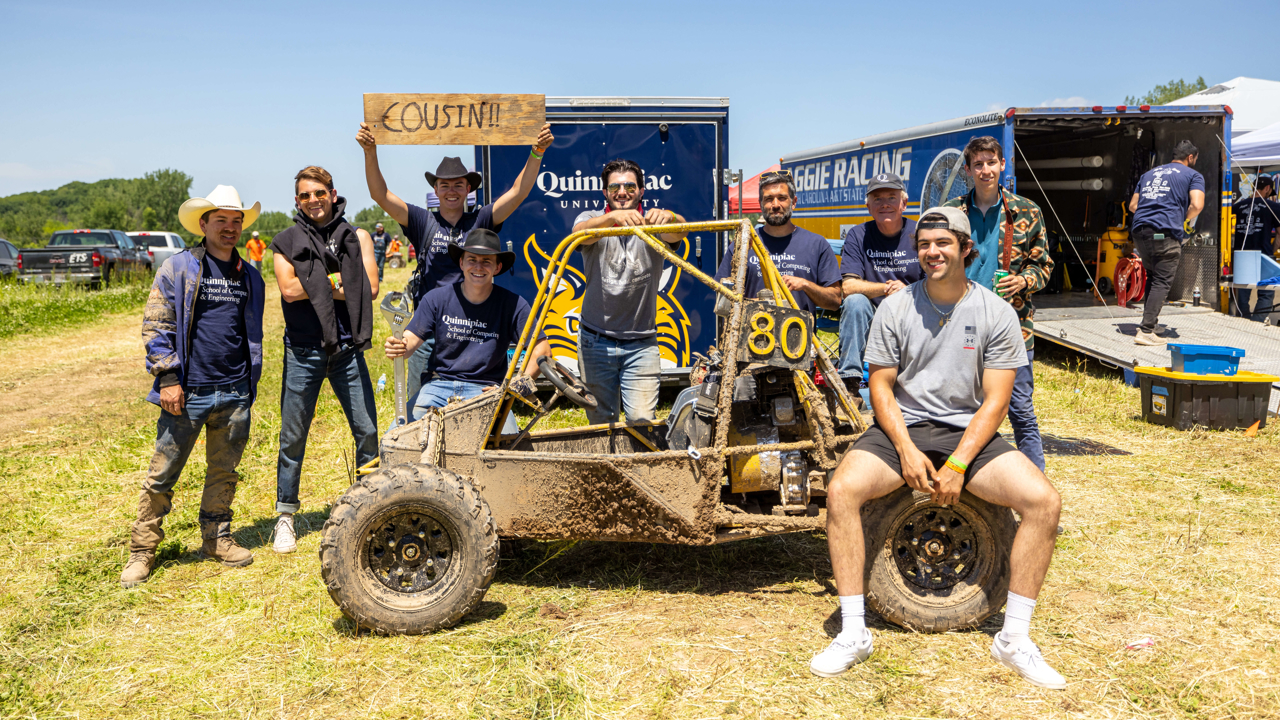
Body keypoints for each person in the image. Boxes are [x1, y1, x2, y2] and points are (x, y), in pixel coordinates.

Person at [811, 208, 1064, 689]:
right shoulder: (895, 306)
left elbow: (996, 400)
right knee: (842, 490)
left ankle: (1013, 638)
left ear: (966, 249)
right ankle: (853, 632)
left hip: (968, 432)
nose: (932, 252)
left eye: (943, 243)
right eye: (924, 243)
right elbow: (881, 388)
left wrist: (959, 463)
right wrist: (905, 450)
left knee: (1044, 501)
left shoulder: (996, 311)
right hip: (901, 429)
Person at [122, 185, 265, 588]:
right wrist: (167, 378)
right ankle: (142, 551)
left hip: (235, 390)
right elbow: (157, 324)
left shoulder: (250, 276)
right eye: (221, 220)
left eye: (236, 221)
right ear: (203, 224)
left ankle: (216, 539)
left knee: (224, 471)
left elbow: (250, 333)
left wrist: (248, 384)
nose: (230, 228)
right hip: (187, 393)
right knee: (162, 474)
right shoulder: (178, 267)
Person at [357, 121, 554, 413]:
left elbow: (518, 192)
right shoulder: (422, 221)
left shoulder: (481, 220)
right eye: (444, 184)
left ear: (468, 190)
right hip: (427, 328)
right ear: (435, 188)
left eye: (458, 185)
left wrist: (537, 152)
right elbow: (380, 195)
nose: (451, 190)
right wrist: (370, 151)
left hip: (473, 325)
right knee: (421, 415)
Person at [268, 166, 380, 554]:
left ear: (333, 194)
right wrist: (341, 283)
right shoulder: (285, 241)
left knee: (367, 430)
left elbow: (371, 288)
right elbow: (288, 288)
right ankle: (285, 516)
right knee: (293, 435)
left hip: (347, 348)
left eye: (319, 193)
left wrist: (318, 284)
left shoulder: (356, 236)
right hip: (303, 350)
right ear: (296, 201)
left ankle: (374, 507)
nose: (312, 200)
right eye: (304, 195)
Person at [943, 136, 1053, 473]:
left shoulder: (1027, 211)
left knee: (1019, 408)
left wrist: (1023, 281)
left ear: (1003, 165)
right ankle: (962, 480)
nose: (985, 170)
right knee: (960, 407)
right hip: (962, 324)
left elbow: (1044, 266)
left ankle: (1036, 488)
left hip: (1013, 327)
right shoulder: (953, 212)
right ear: (968, 170)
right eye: (978, 164)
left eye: (991, 162)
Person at [384, 229, 551, 434]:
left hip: (487, 391)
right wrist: (399, 346)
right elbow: (411, 339)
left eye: (486, 261)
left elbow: (542, 350)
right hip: (437, 386)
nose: (478, 267)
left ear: (497, 267)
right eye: (471, 259)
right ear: (461, 263)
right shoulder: (436, 299)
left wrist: (515, 387)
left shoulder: (514, 305)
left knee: (507, 449)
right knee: (395, 439)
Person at [572, 159, 688, 424]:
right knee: (601, 424)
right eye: (614, 186)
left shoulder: (654, 223)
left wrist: (670, 217)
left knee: (642, 422)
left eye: (629, 186)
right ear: (604, 192)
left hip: (642, 343)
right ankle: (605, 467)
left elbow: (682, 230)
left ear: (641, 191)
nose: (622, 192)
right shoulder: (591, 219)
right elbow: (579, 234)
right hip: (595, 341)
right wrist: (613, 218)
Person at [837, 172, 923, 390]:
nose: (885, 204)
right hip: (873, 314)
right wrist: (886, 288)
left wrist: (907, 291)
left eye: (892, 198)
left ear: (904, 203)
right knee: (855, 302)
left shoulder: (920, 233)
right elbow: (847, 286)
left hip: (912, 310)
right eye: (877, 199)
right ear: (868, 206)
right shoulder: (858, 235)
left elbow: (936, 282)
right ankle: (850, 383)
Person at [715, 169, 842, 314]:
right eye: (769, 199)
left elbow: (835, 302)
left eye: (782, 198)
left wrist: (806, 285)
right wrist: (762, 303)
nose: (775, 205)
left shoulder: (817, 244)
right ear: (760, 204)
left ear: (794, 202)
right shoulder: (744, 244)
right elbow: (723, 299)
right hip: (752, 334)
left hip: (799, 334)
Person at [1129, 140, 1206, 346]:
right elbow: (1197, 205)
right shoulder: (1193, 175)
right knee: (1162, 280)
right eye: (1195, 159)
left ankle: (1150, 324)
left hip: (1139, 232)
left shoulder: (1148, 175)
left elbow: (1133, 205)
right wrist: (1181, 220)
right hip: (1164, 232)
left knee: (1153, 277)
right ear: (1190, 157)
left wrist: (1153, 212)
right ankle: (1145, 332)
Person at [1232, 176, 1280, 254]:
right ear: (1267, 188)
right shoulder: (1274, 207)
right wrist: (1270, 252)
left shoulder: (1237, 206)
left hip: (1240, 255)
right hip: (1263, 255)